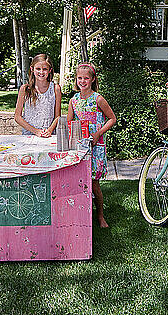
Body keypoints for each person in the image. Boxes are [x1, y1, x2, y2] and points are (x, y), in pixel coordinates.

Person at [68, 62, 116, 228]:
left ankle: (100, 216)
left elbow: (112, 119)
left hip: (96, 146)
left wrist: (97, 133)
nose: (82, 81)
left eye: (86, 78)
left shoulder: (98, 99)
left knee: (95, 183)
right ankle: (81, 213)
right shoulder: (73, 100)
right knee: (79, 181)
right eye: (79, 78)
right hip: (80, 147)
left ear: (93, 79)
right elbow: (69, 122)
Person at [14, 54, 62, 137]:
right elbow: (17, 117)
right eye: (38, 69)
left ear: (50, 70)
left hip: (48, 135)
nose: (41, 72)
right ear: (32, 69)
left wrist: (49, 130)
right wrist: (35, 131)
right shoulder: (25, 89)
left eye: (45, 69)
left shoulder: (55, 89)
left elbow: (57, 116)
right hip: (28, 135)